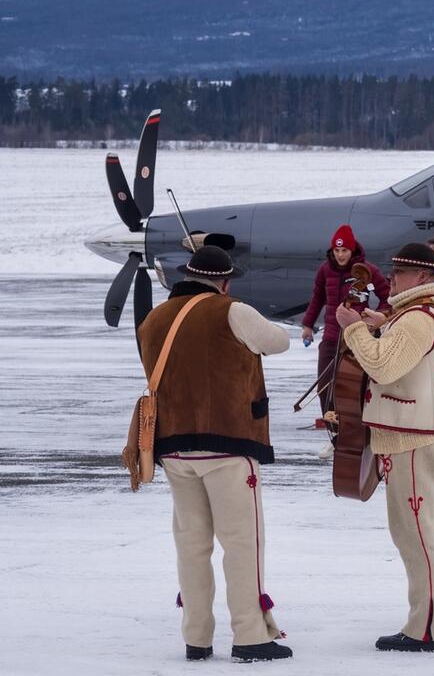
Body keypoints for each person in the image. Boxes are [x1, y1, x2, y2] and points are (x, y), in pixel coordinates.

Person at [137, 245, 292, 663]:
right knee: (242, 543)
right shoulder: (232, 310)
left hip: (174, 448)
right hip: (227, 444)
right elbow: (279, 341)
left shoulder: (155, 318)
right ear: (224, 281)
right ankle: (250, 634)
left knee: (191, 545)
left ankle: (197, 637)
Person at [337, 243, 434, 652]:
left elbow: (383, 366)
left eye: (402, 272)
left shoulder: (416, 320)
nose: (391, 277)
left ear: (423, 277)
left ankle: (422, 627)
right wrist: (386, 320)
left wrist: (354, 328)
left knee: (415, 536)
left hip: (413, 440)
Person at [301, 224, 389, 457]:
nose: (340, 255)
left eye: (344, 251)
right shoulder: (325, 270)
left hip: (357, 339)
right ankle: (336, 436)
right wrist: (308, 325)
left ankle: (360, 435)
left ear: (352, 251)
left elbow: (387, 296)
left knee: (353, 389)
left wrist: (375, 318)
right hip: (331, 338)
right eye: (337, 251)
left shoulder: (367, 271)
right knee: (325, 387)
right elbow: (317, 297)